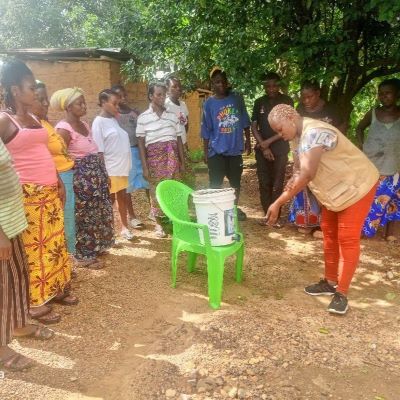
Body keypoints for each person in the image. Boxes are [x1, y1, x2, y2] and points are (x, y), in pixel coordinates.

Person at [265, 104, 379, 315]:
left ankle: (341, 294)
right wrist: (288, 188)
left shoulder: (314, 132)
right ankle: (330, 281)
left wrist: (279, 202)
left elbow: (306, 175)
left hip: (357, 185)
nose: (281, 135)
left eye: (281, 129)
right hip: (336, 191)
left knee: (346, 237)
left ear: (291, 117)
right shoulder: (298, 137)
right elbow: (298, 171)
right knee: (328, 231)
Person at [0, 60, 74, 324]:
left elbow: (43, 152)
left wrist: (58, 179)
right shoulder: (4, 121)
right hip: (27, 197)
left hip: (49, 191)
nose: (35, 92)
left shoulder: (33, 118)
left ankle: (54, 289)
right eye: (30, 88)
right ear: (15, 90)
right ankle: (33, 302)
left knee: (55, 242)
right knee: (34, 249)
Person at [0, 137, 53, 372]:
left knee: (18, 280)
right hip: (2, 229)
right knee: (3, 288)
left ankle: (18, 325)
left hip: (11, 223)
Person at [51, 88, 114, 268]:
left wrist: (103, 173)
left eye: (84, 102)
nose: (84, 106)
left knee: (96, 213)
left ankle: (96, 245)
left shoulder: (85, 125)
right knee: (83, 215)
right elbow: (61, 157)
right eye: (80, 103)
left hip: (96, 176)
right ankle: (83, 253)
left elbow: (94, 150)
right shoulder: (64, 129)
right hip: (81, 179)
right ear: (68, 107)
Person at [290, 80, 346, 237]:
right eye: (303, 97)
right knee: (307, 187)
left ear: (318, 94)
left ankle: (324, 226)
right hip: (307, 155)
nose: (306, 101)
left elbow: (342, 128)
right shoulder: (300, 109)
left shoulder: (331, 109)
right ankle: (307, 222)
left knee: (325, 189)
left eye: (310, 97)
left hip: (328, 157)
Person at [31, 81, 76, 255]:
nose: (45, 103)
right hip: (57, 178)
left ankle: (68, 259)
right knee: (63, 221)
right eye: (40, 99)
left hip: (64, 176)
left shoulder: (45, 123)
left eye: (46, 99)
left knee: (68, 219)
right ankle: (66, 259)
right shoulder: (34, 127)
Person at [201, 67, 251, 220]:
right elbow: (206, 129)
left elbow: (245, 122)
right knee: (215, 184)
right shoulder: (209, 104)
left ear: (227, 82)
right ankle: (215, 212)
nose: (220, 84)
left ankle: (233, 210)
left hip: (235, 151)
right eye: (217, 82)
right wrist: (205, 152)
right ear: (212, 84)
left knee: (235, 183)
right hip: (216, 151)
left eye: (223, 81)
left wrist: (248, 141)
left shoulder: (237, 99)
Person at [136, 82, 185, 238]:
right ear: (151, 96)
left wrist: (182, 162)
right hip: (154, 159)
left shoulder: (172, 116)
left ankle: (174, 222)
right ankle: (159, 224)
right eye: (158, 94)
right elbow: (141, 144)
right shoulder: (143, 118)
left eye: (164, 94)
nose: (162, 97)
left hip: (172, 158)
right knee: (156, 191)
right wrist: (145, 167)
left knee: (173, 189)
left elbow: (178, 141)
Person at [357, 78, 400, 242]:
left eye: (387, 93)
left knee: (393, 199)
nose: (383, 97)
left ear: (397, 94)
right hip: (372, 164)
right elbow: (360, 128)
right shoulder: (373, 113)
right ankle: (364, 229)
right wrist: (362, 146)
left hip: (395, 164)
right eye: (380, 94)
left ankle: (391, 232)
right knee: (369, 197)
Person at [251, 72, 293, 225]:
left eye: (274, 85)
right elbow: (254, 125)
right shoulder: (259, 102)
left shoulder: (287, 101)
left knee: (277, 184)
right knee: (264, 182)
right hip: (262, 150)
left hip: (280, 148)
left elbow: (289, 127)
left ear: (279, 85)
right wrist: (263, 146)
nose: (271, 89)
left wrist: (267, 142)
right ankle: (266, 215)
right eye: (268, 86)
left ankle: (275, 217)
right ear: (264, 87)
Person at [92, 89, 133, 240]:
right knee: (109, 201)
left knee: (122, 197)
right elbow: (99, 151)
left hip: (121, 168)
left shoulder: (113, 120)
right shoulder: (98, 122)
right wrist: (104, 173)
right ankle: (109, 233)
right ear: (103, 103)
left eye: (118, 103)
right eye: (114, 103)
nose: (117, 106)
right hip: (110, 169)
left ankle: (124, 228)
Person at [111, 84, 150, 228]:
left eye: (124, 95)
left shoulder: (135, 114)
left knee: (147, 181)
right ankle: (132, 216)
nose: (123, 99)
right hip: (125, 154)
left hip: (139, 151)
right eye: (118, 97)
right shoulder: (114, 117)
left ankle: (153, 211)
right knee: (127, 186)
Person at [165, 76, 195, 188]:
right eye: (174, 86)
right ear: (167, 89)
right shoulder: (165, 105)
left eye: (179, 86)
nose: (178, 89)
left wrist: (184, 141)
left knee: (188, 175)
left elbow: (186, 125)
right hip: (170, 148)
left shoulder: (183, 105)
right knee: (174, 176)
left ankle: (189, 201)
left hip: (183, 145)